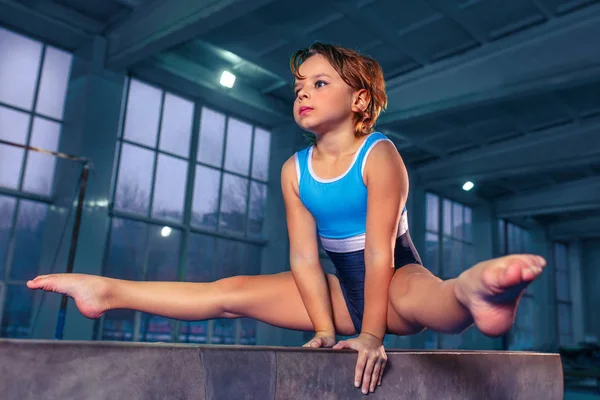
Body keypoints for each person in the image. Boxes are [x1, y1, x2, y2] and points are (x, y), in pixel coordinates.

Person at [27, 42, 546, 395]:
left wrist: (371, 337)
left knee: (432, 302)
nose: (303, 92)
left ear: (359, 98)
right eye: (300, 85)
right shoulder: (295, 170)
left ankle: (477, 292)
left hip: (396, 276)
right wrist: (324, 327)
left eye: (320, 83)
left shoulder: (379, 155)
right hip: (340, 289)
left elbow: (379, 249)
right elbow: (302, 254)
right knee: (229, 293)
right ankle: (109, 292)